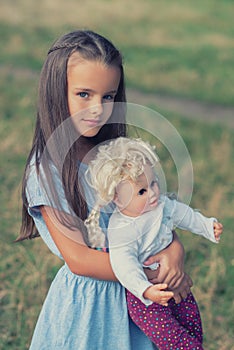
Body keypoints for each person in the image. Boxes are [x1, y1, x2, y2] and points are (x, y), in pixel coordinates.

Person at [18, 30, 193, 350]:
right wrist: (149, 270)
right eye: (84, 94)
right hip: (90, 308)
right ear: (56, 92)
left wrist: (175, 252)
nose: (97, 107)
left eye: (108, 96)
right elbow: (80, 259)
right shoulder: (47, 169)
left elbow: (154, 212)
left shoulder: (122, 155)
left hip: (142, 307)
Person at [84, 137, 223, 349]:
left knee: (190, 321)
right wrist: (146, 290)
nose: (152, 194)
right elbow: (124, 265)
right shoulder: (122, 229)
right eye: (142, 191)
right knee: (172, 338)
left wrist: (207, 226)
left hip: (174, 280)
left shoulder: (161, 206)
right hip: (146, 298)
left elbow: (184, 215)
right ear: (118, 199)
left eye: (153, 183)